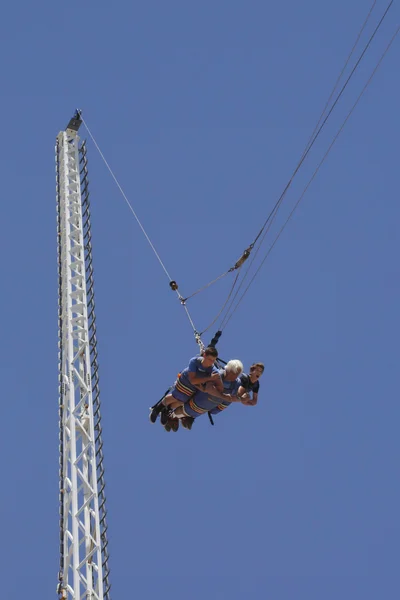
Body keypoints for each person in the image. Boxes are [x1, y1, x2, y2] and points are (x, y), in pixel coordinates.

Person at [149, 346, 223, 430]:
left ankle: (167, 409)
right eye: (210, 359)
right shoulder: (194, 361)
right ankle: (158, 408)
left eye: (213, 360)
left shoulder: (213, 370)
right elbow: (193, 380)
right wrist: (209, 378)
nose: (211, 362)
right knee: (176, 396)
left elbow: (219, 380)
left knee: (182, 401)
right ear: (204, 355)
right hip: (186, 380)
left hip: (195, 386)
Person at [169, 359, 244, 430]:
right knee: (184, 410)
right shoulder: (217, 375)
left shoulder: (235, 385)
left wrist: (216, 410)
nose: (234, 376)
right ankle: (172, 416)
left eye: (237, 374)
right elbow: (208, 387)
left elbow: (228, 401)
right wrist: (223, 396)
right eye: (234, 373)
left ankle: (186, 419)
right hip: (197, 401)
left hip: (205, 407)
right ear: (228, 369)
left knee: (190, 413)